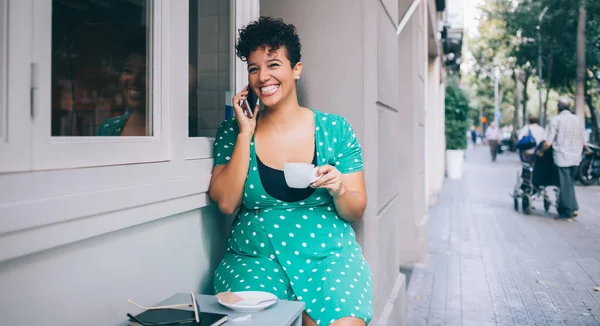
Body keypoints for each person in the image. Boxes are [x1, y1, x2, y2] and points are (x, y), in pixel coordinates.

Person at [208, 17, 373, 326]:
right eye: (254, 68)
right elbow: (227, 202)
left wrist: (339, 188)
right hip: (255, 258)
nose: (263, 77)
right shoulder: (233, 131)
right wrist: (245, 133)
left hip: (328, 256)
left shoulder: (335, 130)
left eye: (273, 64)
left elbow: (356, 210)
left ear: (296, 69)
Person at [537, 97, 587, 219]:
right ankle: (574, 207)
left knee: (564, 184)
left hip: (562, 156)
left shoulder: (556, 120)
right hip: (576, 156)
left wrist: (540, 152)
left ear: (558, 108)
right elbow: (583, 141)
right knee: (569, 183)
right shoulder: (578, 120)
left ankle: (566, 212)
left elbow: (548, 142)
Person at [97, 27, 148, 136]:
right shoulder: (109, 129)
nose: (134, 81)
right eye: (128, 70)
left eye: (145, 72)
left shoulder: (185, 129)